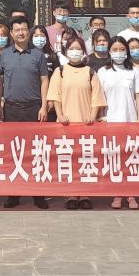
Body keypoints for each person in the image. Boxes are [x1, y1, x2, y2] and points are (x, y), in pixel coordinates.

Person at [47, 36, 106, 210]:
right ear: (66, 51)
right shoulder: (60, 71)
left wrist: (92, 116)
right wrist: (60, 114)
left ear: (84, 52)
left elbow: (97, 97)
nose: (75, 52)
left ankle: (86, 193)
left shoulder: (90, 72)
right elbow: (55, 95)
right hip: (65, 123)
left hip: (86, 123)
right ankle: (70, 194)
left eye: (78, 48)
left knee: (86, 158)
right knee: (68, 159)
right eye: (71, 48)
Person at [0, 17, 50, 210]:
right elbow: (0, 81)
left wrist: (44, 106)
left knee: (36, 152)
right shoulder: (5, 54)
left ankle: (38, 194)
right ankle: (14, 194)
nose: (21, 33)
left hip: (33, 108)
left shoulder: (38, 55)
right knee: (14, 152)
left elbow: (44, 80)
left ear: (28, 32)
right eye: (17, 30)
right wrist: (0, 103)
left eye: (24, 29)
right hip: (12, 108)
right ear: (11, 34)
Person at [97, 36, 139, 209]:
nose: (118, 53)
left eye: (122, 49)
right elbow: (99, 97)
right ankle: (117, 194)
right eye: (115, 50)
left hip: (130, 120)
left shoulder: (133, 71)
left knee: (131, 158)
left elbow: (138, 96)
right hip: (111, 121)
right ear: (109, 52)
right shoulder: (103, 72)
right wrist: (101, 117)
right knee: (115, 158)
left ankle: (131, 195)